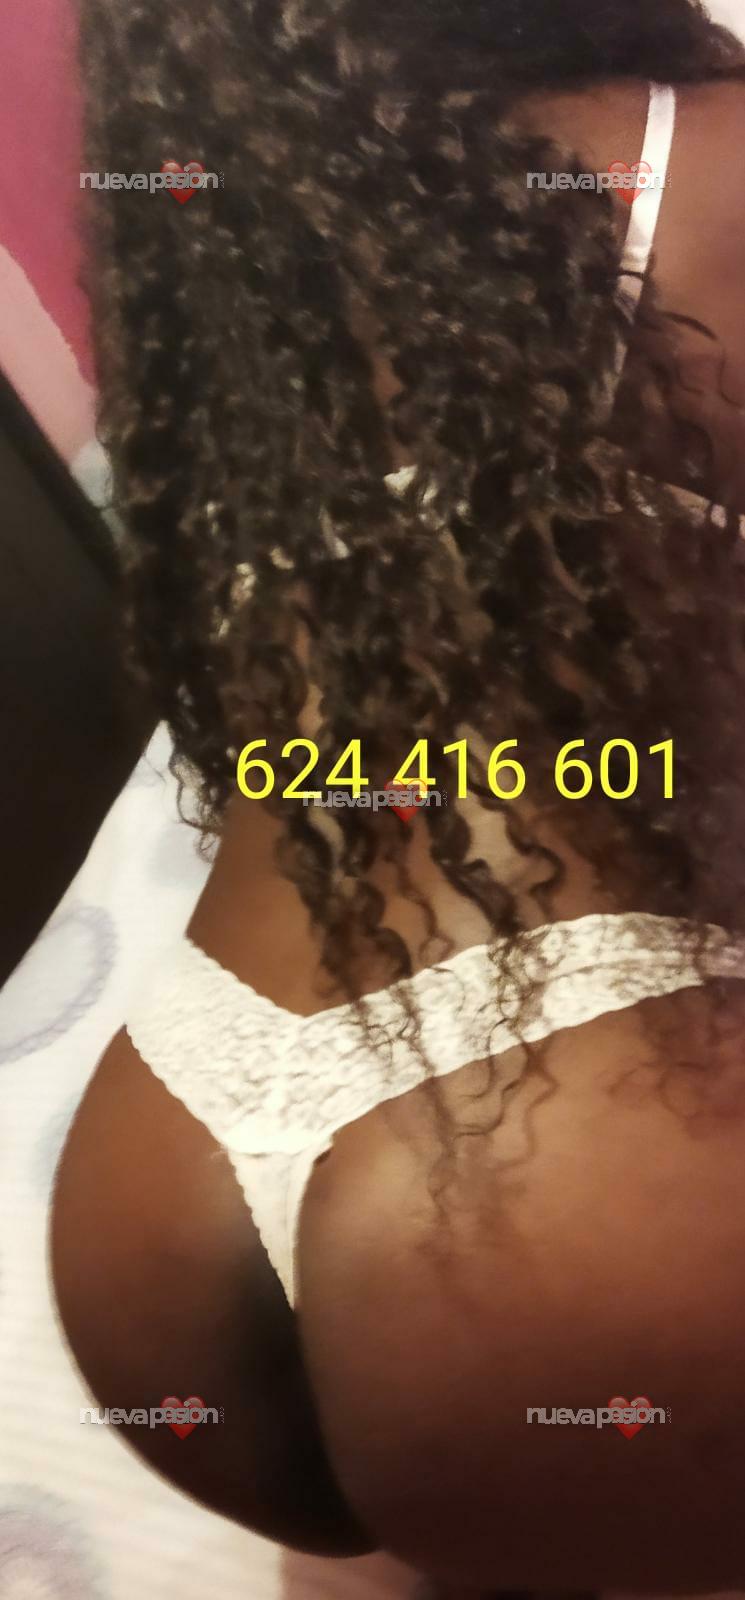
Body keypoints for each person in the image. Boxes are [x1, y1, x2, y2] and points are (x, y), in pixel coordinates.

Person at [51, 1, 745, 1591]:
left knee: (434, 1538)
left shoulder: (204, 205)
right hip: (573, 1197)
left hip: (162, 1192)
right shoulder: (702, 154)